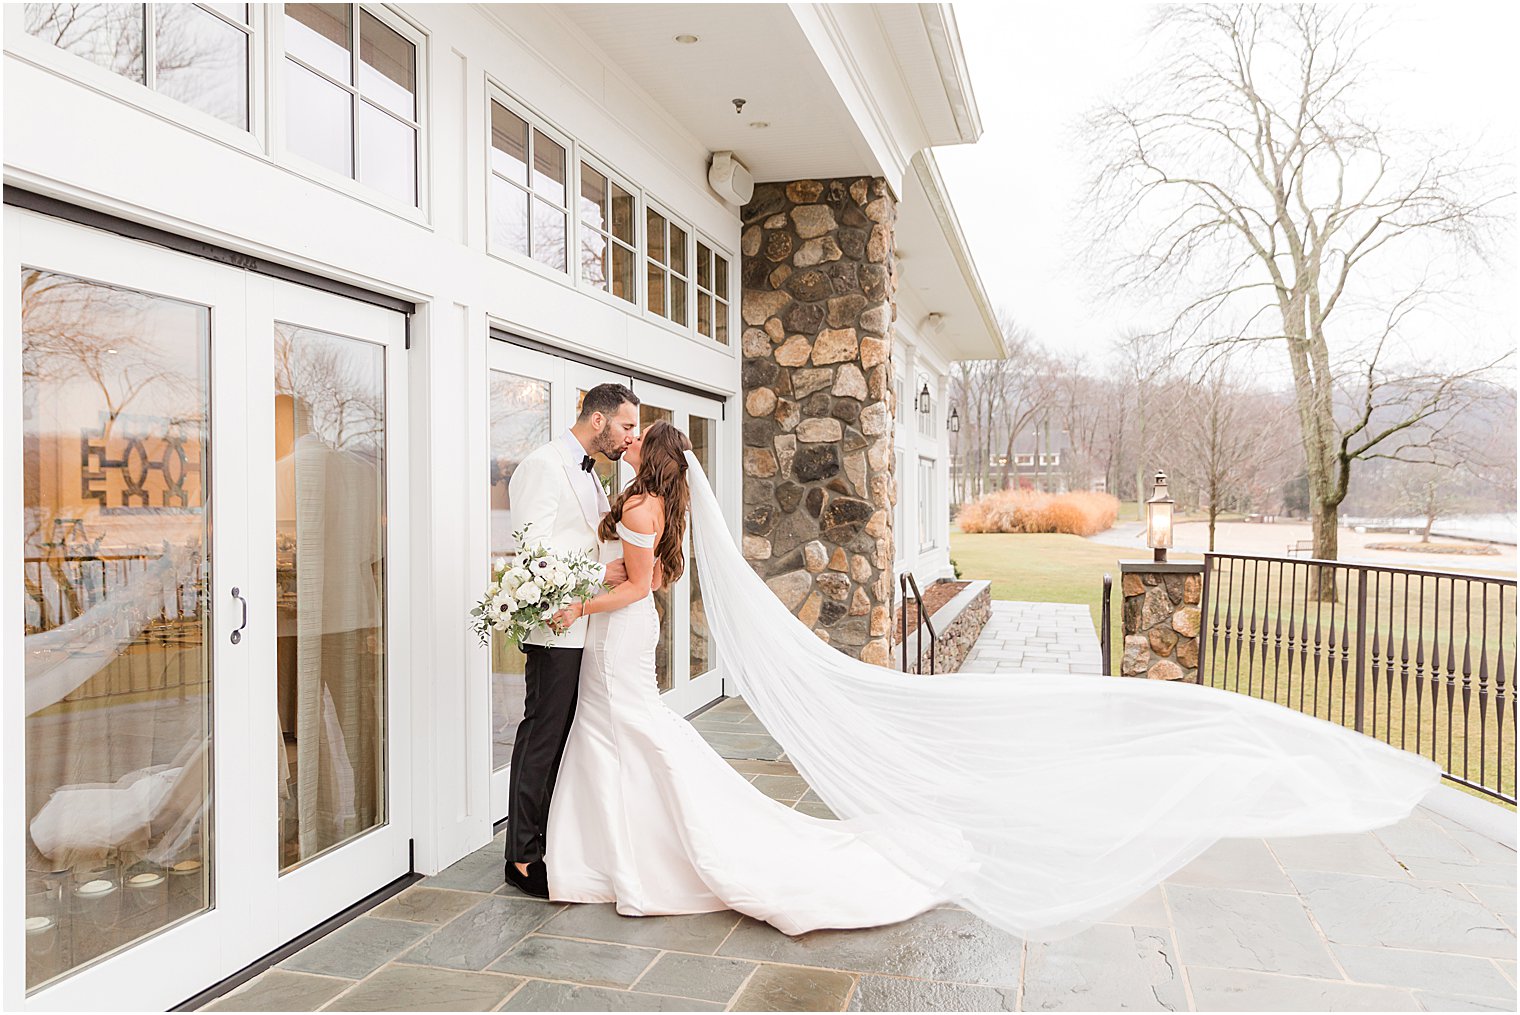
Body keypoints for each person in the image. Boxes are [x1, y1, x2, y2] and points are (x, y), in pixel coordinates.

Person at [542, 420, 1440, 939]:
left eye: (629, 438)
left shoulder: (643, 503)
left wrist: (576, 607)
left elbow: (643, 581)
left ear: (647, 460)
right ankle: (604, 857)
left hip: (617, 637)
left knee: (638, 737)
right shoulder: (650, 501)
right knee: (630, 739)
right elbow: (645, 578)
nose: (620, 444)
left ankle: (625, 859)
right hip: (623, 642)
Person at [501, 382, 639, 899]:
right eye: (626, 426)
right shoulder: (542, 466)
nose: (630, 437)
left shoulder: (592, 472)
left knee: (565, 739)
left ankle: (552, 842)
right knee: (542, 737)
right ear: (598, 421)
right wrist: (602, 574)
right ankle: (520, 856)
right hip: (554, 628)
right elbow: (533, 557)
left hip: (587, 625)